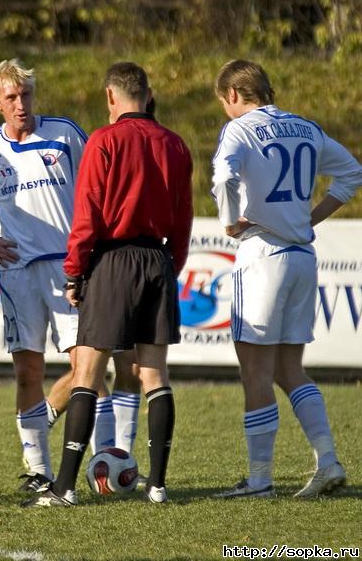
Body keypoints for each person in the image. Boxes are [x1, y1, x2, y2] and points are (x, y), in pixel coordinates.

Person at [0, 59, 140, 492]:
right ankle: (39, 471)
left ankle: (104, 462)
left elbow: (101, 180)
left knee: (87, 367)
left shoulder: (65, 133)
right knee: (27, 374)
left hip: (70, 267)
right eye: (12, 98)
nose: (21, 104)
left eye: (27, 95)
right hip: (19, 276)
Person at [25, 61, 193, 507]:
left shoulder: (104, 140)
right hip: (157, 259)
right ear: (148, 93)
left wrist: (75, 273)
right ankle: (157, 485)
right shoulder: (175, 145)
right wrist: (168, 265)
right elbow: (183, 218)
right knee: (154, 375)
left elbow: (88, 215)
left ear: (111, 97)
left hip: (113, 262)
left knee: (87, 374)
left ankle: (63, 488)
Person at [210, 60, 362, 498]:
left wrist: (229, 222)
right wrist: (310, 218)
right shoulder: (307, 128)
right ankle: (328, 460)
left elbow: (223, 177)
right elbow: (352, 172)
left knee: (255, 371)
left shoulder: (238, 130)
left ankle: (259, 480)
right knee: (290, 368)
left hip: (262, 253)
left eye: (224, 103)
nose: (225, 111)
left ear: (234, 95)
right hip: (301, 254)